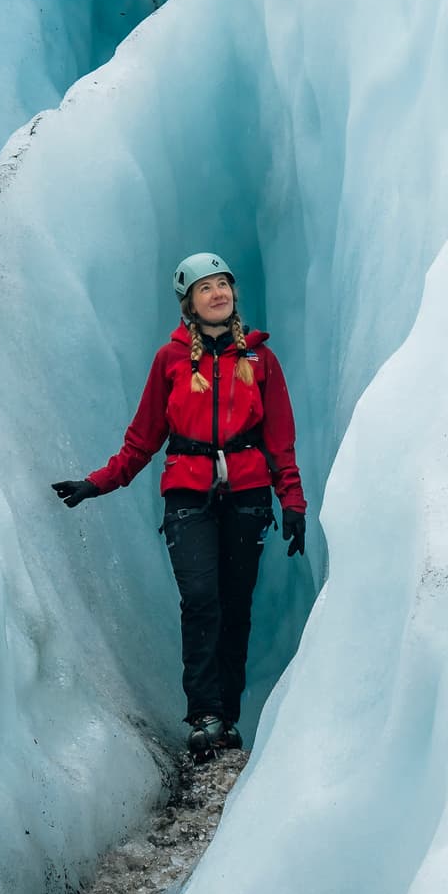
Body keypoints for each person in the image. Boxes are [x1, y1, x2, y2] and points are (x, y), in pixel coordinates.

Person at [53, 252, 306, 756]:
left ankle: (227, 718)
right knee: (201, 600)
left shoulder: (260, 361)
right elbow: (142, 439)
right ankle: (205, 713)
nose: (218, 294)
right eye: (205, 287)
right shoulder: (170, 361)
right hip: (187, 497)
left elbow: (280, 441)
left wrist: (292, 503)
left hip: (249, 498)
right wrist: (98, 483)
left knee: (235, 607)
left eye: (223, 285)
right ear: (188, 302)